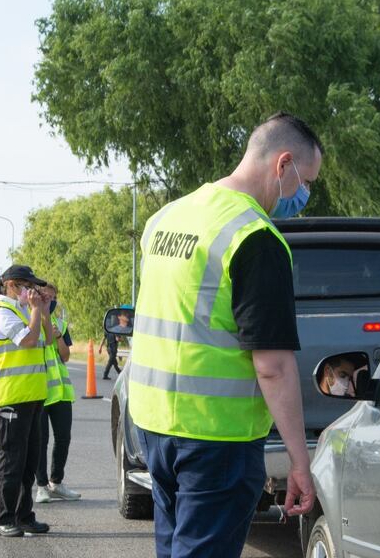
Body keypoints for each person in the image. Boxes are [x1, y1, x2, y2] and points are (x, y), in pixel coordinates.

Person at [130, 112, 321, 557]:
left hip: (156, 427)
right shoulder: (255, 237)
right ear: (283, 163)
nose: (304, 194)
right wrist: (298, 460)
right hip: (217, 439)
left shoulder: (165, 219)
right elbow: (272, 367)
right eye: (306, 181)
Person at [0, 265, 53, 537]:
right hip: (11, 398)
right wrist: (35, 311)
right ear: (11, 285)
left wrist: (43, 310)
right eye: (27, 286)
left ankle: (24, 516)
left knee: (29, 463)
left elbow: (46, 340)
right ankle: (3, 518)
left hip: (32, 397)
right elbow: (28, 341)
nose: (31, 291)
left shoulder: (23, 310)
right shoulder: (2, 313)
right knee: (11, 462)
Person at [34, 284, 82, 503]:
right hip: (40, 391)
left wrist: (59, 336)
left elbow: (65, 356)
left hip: (61, 392)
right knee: (40, 441)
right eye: (47, 296)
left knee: (63, 438)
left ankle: (57, 482)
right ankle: (41, 486)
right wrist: (46, 333)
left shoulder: (60, 324)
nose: (51, 301)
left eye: (54, 298)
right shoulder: (31, 319)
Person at [99, 312, 128, 380]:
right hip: (113, 348)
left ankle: (120, 374)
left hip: (108, 348)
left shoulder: (107, 329)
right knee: (110, 362)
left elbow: (103, 338)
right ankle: (105, 375)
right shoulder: (116, 330)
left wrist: (100, 347)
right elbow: (117, 339)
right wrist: (122, 339)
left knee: (114, 363)